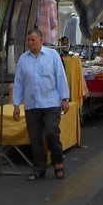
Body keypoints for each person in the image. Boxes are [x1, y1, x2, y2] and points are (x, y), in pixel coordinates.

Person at [12, 27, 71, 180]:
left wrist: (65, 99)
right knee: (35, 137)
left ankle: (58, 163)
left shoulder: (52, 55)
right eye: (28, 40)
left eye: (33, 40)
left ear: (41, 39)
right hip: (32, 104)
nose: (30, 43)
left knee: (51, 132)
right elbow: (19, 83)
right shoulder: (23, 59)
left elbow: (60, 76)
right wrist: (16, 105)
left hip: (51, 102)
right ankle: (38, 169)